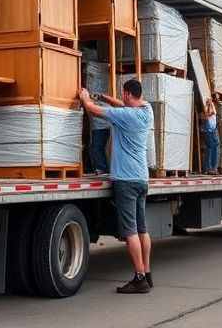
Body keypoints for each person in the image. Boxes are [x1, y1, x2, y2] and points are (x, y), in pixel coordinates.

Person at [79, 79, 154, 294]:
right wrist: (105, 97)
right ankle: (147, 273)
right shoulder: (146, 110)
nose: (121, 98)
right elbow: (122, 105)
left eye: (123, 95)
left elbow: (93, 111)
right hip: (142, 179)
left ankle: (139, 278)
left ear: (129, 94)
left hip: (126, 181)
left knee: (130, 231)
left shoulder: (125, 116)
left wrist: (86, 98)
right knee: (142, 229)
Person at [200, 99, 220, 175]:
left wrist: (210, 104)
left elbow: (212, 113)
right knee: (210, 149)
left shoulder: (211, 109)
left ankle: (212, 168)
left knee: (213, 149)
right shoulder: (205, 111)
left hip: (213, 131)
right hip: (209, 131)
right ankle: (209, 168)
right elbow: (204, 116)